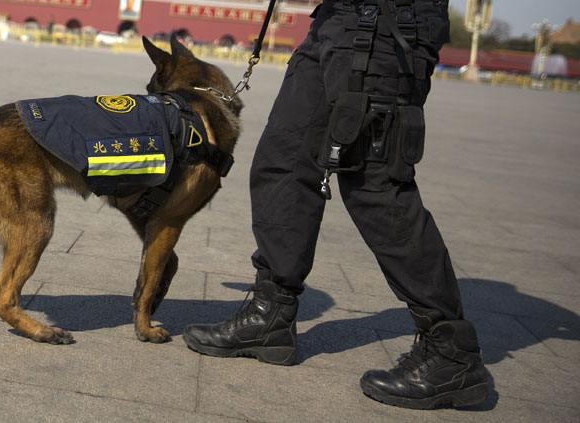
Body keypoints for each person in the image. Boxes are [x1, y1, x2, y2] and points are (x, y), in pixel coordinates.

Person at [182, 0, 489, 410]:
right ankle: (269, 314)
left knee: (375, 183)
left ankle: (451, 352)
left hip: (386, 23)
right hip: (337, 18)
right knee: (284, 162)